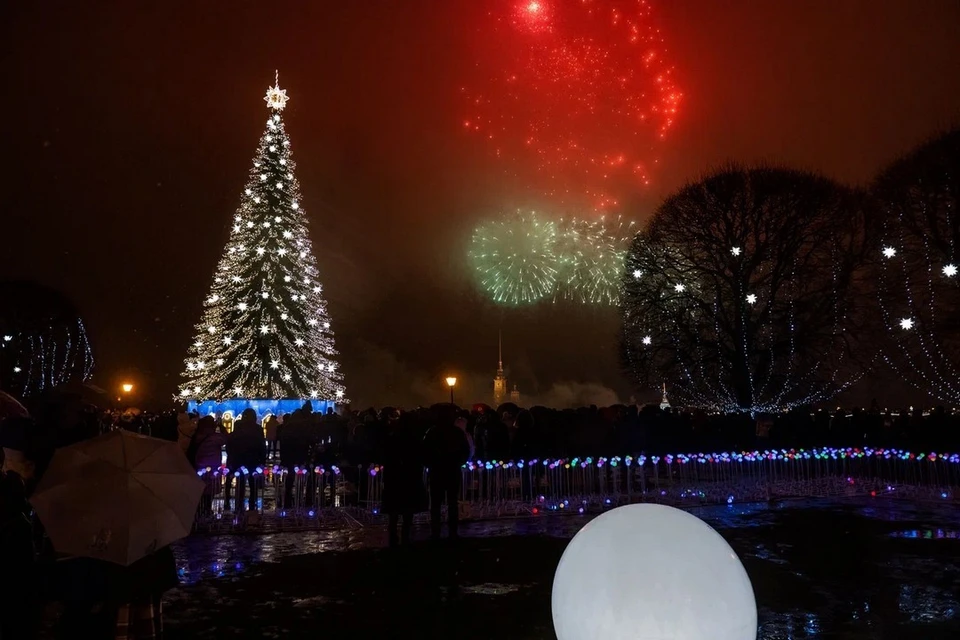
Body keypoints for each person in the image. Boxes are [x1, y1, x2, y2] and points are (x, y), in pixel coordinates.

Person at [423, 412, 471, 541]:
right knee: (452, 502)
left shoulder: (432, 432)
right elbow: (465, 451)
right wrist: (457, 463)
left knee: (435, 503)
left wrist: (431, 464)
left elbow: (425, 450)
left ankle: (436, 531)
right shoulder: (457, 433)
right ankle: (453, 531)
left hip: (437, 470)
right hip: (452, 470)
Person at [382, 413, 426, 547]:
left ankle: (393, 535)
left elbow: (386, 456)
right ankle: (405, 535)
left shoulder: (392, 438)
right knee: (408, 509)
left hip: (395, 477)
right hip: (409, 477)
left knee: (395, 509)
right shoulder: (415, 440)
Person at [226, 408, 266, 512]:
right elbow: (262, 445)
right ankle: (252, 504)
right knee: (253, 483)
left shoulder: (239, 428)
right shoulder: (257, 429)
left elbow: (231, 443)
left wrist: (232, 457)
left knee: (241, 482)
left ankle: (239, 504)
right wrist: (262, 461)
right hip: (253, 459)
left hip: (239, 459)